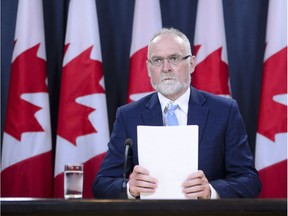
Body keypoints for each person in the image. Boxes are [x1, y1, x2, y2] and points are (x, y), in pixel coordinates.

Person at [92, 28, 261, 199]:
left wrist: (211, 191)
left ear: (192, 64)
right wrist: (130, 188)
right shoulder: (128, 116)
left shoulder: (224, 111)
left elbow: (250, 181)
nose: (166, 68)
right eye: (157, 60)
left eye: (174, 58)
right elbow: (102, 184)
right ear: (149, 69)